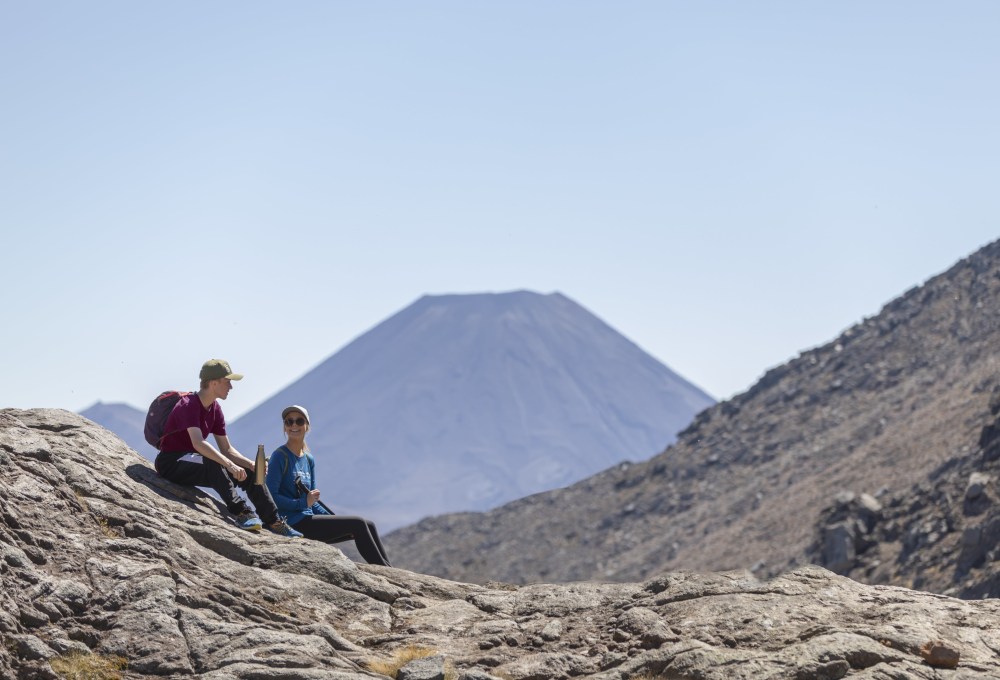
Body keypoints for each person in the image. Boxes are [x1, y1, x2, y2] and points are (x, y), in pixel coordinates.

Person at [154, 359, 302, 538]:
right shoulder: (188, 405)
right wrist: (230, 465)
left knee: (246, 468)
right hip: (172, 462)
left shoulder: (215, 409)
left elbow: (227, 449)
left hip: (195, 461)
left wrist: (249, 464)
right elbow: (198, 443)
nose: (231, 387)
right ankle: (241, 512)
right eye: (227, 381)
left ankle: (274, 521)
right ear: (213, 382)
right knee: (213, 459)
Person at [265, 405, 392, 565]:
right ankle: (386, 572)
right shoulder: (280, 456)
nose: (294, 425)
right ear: (285, 427)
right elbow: (271, 498)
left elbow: (313, 499)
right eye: (289, 422)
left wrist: (333, 520)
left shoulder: (308, 459)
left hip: (307, 519)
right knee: (357, 524)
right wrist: (303, 503)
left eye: (299, 421)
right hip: (291, 523)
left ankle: (390, 571)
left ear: (307, 426)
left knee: (368, 525)